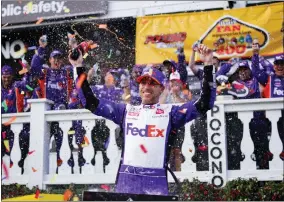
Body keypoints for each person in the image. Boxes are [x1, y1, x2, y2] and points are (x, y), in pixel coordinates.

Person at [69, 44, 216, 195]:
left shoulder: (171, 113)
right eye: (143, 82)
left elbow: (206, 103)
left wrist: (208, 65)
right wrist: (78, 66)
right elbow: (89, 101)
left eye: (152, 83)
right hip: (126, 185)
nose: (147, 86)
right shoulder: (125, 111)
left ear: (162, 88)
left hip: (156, 187)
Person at [251, 44, 284, 160]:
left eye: (282, 64)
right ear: (274, 66)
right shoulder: (268, 78)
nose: (280, 67)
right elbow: (255, 71)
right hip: (271, 117)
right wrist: (255, 54)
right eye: (277, 64)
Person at [160, 71, 187, 172]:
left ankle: (178, 174)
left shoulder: (183, 94)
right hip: (167, 124)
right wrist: (166, 91)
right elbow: (160, 104)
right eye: (172, 81)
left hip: (179, 125)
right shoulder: (165, 93)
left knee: (177, 151)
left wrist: (175, 95)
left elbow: (184, 105)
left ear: (180, 84)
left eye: (176, 82)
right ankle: (168, 173)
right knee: (168, 151)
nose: (174, 83)